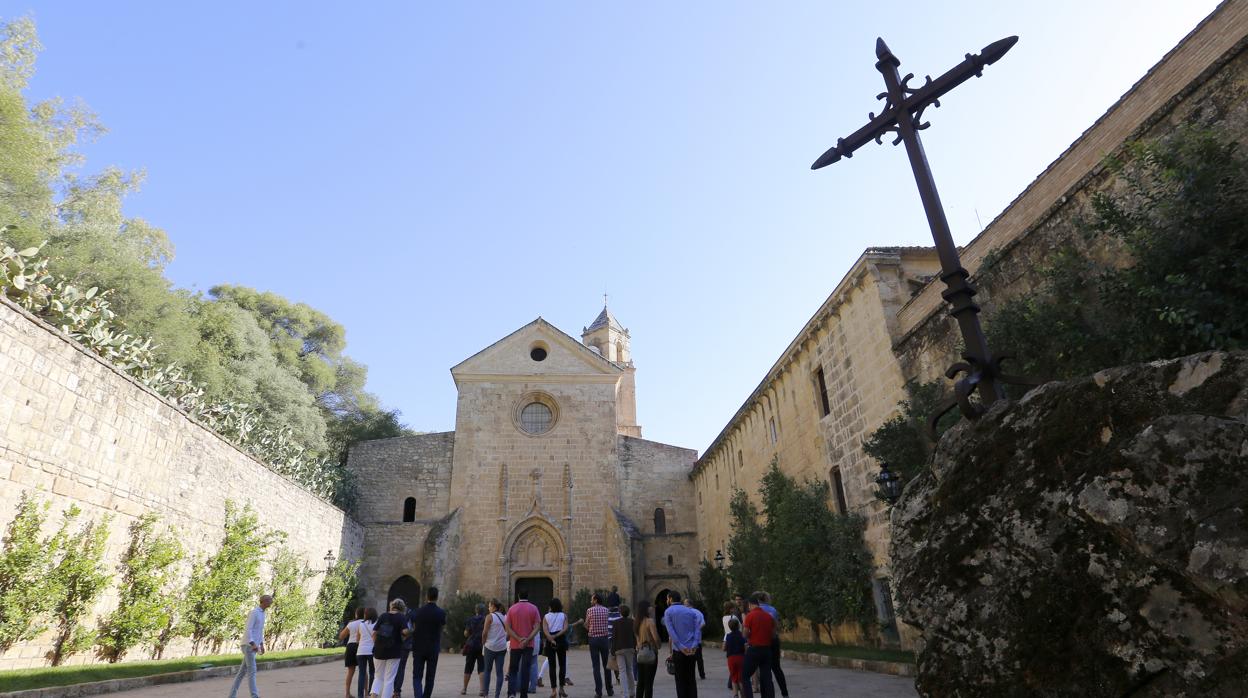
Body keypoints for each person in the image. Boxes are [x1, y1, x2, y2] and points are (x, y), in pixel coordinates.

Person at [228, 594, 272, 698]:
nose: (271, 602)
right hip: (248, 645)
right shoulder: (254, 613)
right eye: (270, 600)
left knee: (241, 673)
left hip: (254, 646)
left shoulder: (263, 614)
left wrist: (261, 644)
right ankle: (254, 695)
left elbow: (259, 630)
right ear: (264, 601)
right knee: (252, 670)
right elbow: (249, 629)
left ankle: (231, 696)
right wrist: (253, 644)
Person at [409, 587, 448, 698]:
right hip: (433, 647)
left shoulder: (417, 612)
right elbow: (442, 625)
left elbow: (412, 624)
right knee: (430, 677)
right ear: (437, 597)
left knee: (417, 676)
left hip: (418, 647)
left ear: (427, 596)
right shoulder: (441, 612)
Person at [661, 591, 701, 698]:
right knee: (691, 679)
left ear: (670, 599)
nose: (666, 601)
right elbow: (697, 629)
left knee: (680, 681)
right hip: (691, 650)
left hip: (679, 651)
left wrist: (681, 647)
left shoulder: (668, 612)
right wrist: (694, 645)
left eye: (667, 598)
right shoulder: (690, 611)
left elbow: (671, 632)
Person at [504, 589, 541, 698]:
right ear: (527, 596)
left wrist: (518, 638)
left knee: (513, 669)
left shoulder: (512, 609)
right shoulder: (534, 608)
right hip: (528, 645)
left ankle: (511, 693)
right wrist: (527, 639)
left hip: (515, 644)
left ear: (518, 596)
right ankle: (524, 695)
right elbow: (538, 626)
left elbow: (507, 628)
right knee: (526, 670)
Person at [373, 599, 410, 698]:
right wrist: (404, 636)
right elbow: (406, 631)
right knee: (389, 679)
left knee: (378, 677)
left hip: (379, 650)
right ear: (402, 608)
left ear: (391, 606)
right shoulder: (401, 617)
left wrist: (376, 644)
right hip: (394, 651)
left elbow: (374, 633)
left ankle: (373, 696)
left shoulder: (383, 616)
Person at [739, 594, 774, 698]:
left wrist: (750, 636)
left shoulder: (750, 616)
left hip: (755, 649)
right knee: (766, 676)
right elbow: (773, 633)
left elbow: (745, 633)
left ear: (750, 605)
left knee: (744, 675)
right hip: (767, 649)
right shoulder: (768, 616)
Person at [542, 598, 578, 698]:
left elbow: (545, 629)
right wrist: (556, 636)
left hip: (550, 641)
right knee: (562, 665)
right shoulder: (563, 616)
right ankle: (561, 688)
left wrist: (551, 638)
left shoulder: (546, 616)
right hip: (561, 640)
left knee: (552, 666)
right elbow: (565, 628)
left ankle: (553, 690)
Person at [757, 593, 788, 698]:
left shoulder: (754, 611)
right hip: (773, 640)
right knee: (776, 668)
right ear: (766, 599)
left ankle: (765, 694)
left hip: (760, 642)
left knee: (764, 670)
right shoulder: (772, 610)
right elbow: (776, 626)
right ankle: (785, 693)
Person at [584, 593, 614, 698]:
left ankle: (598, 692)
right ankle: (609, 690)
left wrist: (590, 628)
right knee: (607, 666)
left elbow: (586, 625)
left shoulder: (589, 610)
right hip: (604, 639)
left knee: (596, 666)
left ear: (596, 600)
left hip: (593, 640)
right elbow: (609, 624)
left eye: (592, 599)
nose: (590, 601)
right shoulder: (606, 610)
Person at [633, 601, 661, 698]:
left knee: (641, 681)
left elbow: (637, 639)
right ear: (646, 608)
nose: (652, 608)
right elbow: (656, 638)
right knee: (649, 682)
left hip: (640, 653)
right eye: (650, 606)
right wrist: (659, 645)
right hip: (650, 651)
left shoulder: (636, 622)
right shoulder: (650, 621)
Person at [482, 600, 509, 698]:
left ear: (493, 606)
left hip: (490, 646)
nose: (488, 608)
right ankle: (497, 695)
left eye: (489, 606)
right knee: (499, 672)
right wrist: (503, 640)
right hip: (501, 647)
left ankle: (486, 694)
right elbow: (508, 633)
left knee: (487, 670)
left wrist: (483, 642)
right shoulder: (505, 617)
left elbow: (484, 632)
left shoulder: (489, 617)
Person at [610, 605, 637, 698]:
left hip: (619, 649)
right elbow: (634, 636)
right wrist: (635, 647)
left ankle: (625, 694)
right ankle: (632, 692)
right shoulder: (632, 622)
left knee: (622, 671)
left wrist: (612, 651)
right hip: (630, 648)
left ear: (620, 612)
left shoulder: (616, 622)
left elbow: (614, 638)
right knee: (630, 670)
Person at [462, 603, 487, 696]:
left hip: (471, 645)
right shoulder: (486, 620)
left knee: (468, 667)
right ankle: (481, 690)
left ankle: (464, 689)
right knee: (481, 667)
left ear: (476, 610)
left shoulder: (470, 620)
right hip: (481, 645)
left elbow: (466, 633)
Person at [340, 608, 365, 698]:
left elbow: (341, 636)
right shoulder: (367, 623)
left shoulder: (351, 623)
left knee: (350, 671)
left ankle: (347, 693)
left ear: (356, 614)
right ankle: (366, 694)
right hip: (362, 646)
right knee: (363, 671)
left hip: (351, 646)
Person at [682, 599, 706, 680]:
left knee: (688, 658)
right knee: (699, 658)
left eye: (684, 603)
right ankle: (702, 674)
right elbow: (703, 624)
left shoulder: (684, 613)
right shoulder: (698, 612)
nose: (683, 605)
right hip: (697, 640)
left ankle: (690, 675)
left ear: (688, 604)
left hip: (687, 640)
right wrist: (697, 631)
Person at [356, 608, 378, 698]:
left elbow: (357, 639)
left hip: (361, 651)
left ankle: (360, 695)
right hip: (371, 651)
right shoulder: (376, 624)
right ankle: (370, 692)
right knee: (372, 672)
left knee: (361, 673)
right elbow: (376, 639)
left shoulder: (361, 625)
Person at [724, 618, 745, 698]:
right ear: (738, 626)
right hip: (740, 657)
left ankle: (735, 695)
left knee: (734, 677)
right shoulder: (741, 635)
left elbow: (724, 648)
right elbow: (745, 646)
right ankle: (743, 695)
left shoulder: (728, 636)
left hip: (731, 658)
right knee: (741, 678)